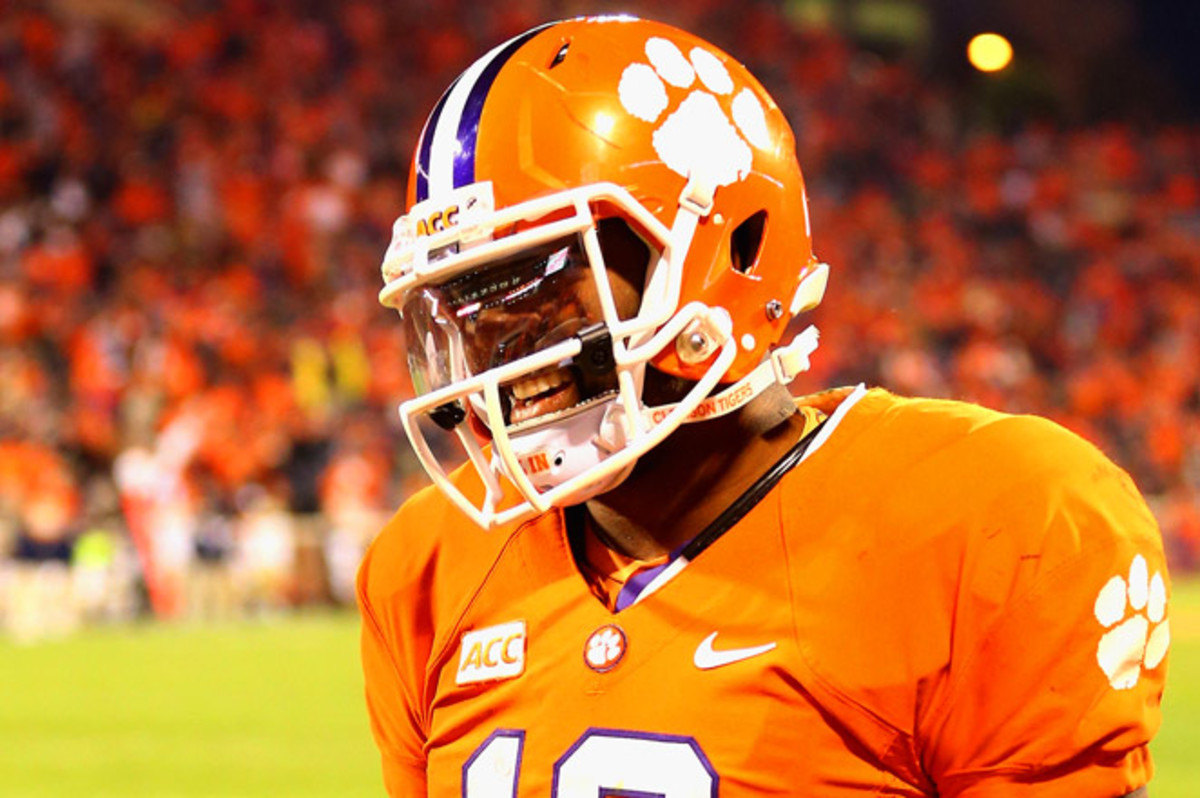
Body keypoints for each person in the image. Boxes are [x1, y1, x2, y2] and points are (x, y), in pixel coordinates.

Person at [357, 15, 1169, 797]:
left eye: (542, 280)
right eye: (464, 305)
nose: (500, 341)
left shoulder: (986, 523)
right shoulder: (426, 571)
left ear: (729, 250)